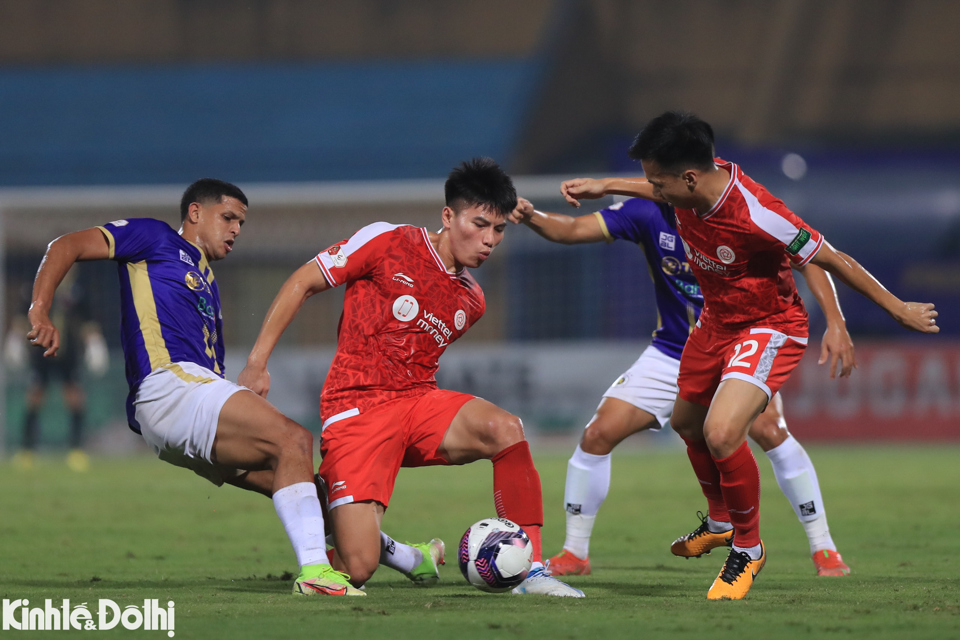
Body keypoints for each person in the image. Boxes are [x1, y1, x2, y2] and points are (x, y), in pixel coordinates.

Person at [558, 111, 939, 600]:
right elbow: (659, 189)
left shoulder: (757, 212)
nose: (656, 191)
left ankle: (749, 549)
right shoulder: (692, 184)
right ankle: (719, 520)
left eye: (660, 182)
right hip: (715, 324)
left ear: (689, 178)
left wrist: (896, 308)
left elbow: (829, 257)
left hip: (769, 327)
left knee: (722, 433)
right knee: (687, 424)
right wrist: (606, 184)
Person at [238, 158, 584, 597]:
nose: (489, 240)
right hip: (356, 408)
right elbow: (303, 281)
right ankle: (402, 551)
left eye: (498, 230)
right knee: (356, 566)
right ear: (448, 217)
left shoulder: (472, 301)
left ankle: (531, 569)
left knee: (505, 429)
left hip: (418, 403)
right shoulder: (389, 241)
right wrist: (257, 361)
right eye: (479, 225)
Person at [26, 178, 362, 597]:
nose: (237, 229)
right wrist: (40, 309)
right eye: (228, 218)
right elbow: (66, 245)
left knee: (304, 483)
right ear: (195, 213)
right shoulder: (154, 237)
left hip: (178, 411)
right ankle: (315, 572)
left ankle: (403, 556)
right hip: (169, 386)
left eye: (241, 222)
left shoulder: (206, 283)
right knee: (293, 437)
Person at [509, 195, 854, 578]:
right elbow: (573, 228)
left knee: (770, 430)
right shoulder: (646, 212)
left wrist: (835, 323)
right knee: (597, 434)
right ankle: (575, 553)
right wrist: (532, 217)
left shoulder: (741, 210)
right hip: (672, 350)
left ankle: (824, 549)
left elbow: (809, 257)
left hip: (739, 348)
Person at [8, 270, 108, 472]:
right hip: (41, 352)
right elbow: (21, 317)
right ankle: (27, 450)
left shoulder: (77, 291)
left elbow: (88, 323)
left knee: (74, 398)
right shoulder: (35, 289)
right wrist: (14, 340)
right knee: (35, 397)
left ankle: (76, 449)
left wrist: (95, 344)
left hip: (67, 353)